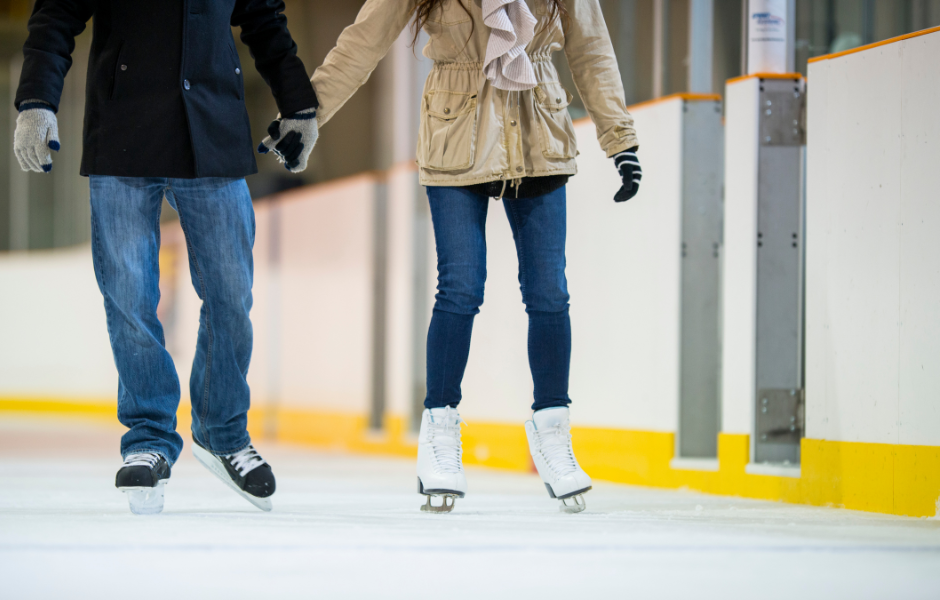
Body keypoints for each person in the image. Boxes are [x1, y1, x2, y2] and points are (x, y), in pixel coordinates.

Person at [260, 0, 641, 513]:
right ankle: (439, 431)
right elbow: (363, 41)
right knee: (461, 286)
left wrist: (620, 139)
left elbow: (590, 46)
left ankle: (553, 430)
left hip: (539, 130)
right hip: (455, 132)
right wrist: (307, 115)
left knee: (549, 290)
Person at [13, 0, 320, 514]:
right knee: (130, 302)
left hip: (214, 131)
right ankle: (148, 438)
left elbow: (265, 19)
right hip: (123, 131)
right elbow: (57, 15)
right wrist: (36, 101)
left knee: (230, 296)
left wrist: (299, 105)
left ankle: (222, 433)